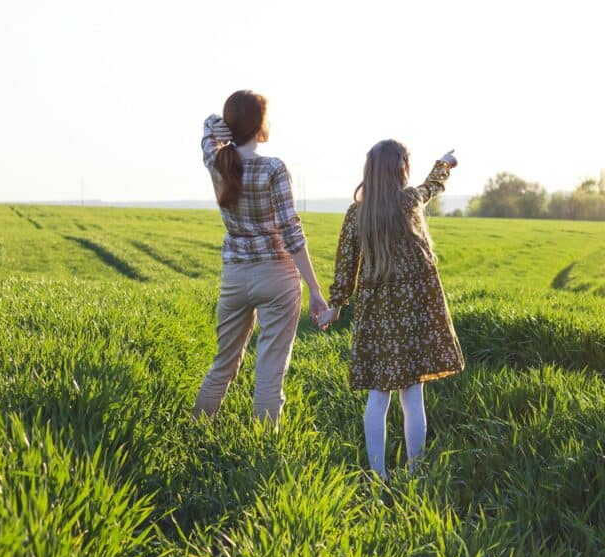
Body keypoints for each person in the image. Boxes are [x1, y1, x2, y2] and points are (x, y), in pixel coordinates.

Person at [317, 140, 465, 479]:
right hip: (413, 310)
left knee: (377, 394)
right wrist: (444, 163)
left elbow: (345, 265)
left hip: (375, 313)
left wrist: (336, 307)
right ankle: (416, 473)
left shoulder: (358, 214)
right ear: (403, 169)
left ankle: (378, 474)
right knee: (413, 395)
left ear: (370, 171)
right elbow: (432, 186)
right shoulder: (409, 201)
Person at [193, 89, 327, 425]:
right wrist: (314, 289)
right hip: (277, 276)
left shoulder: (216, 161)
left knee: (223, 364)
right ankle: (264, 449)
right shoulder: (273, 169)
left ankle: (194, 431)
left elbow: (206, 133)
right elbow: (291, 232)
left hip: (236, 277)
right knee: (269, 372)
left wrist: (216, 126)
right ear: (260, 125)